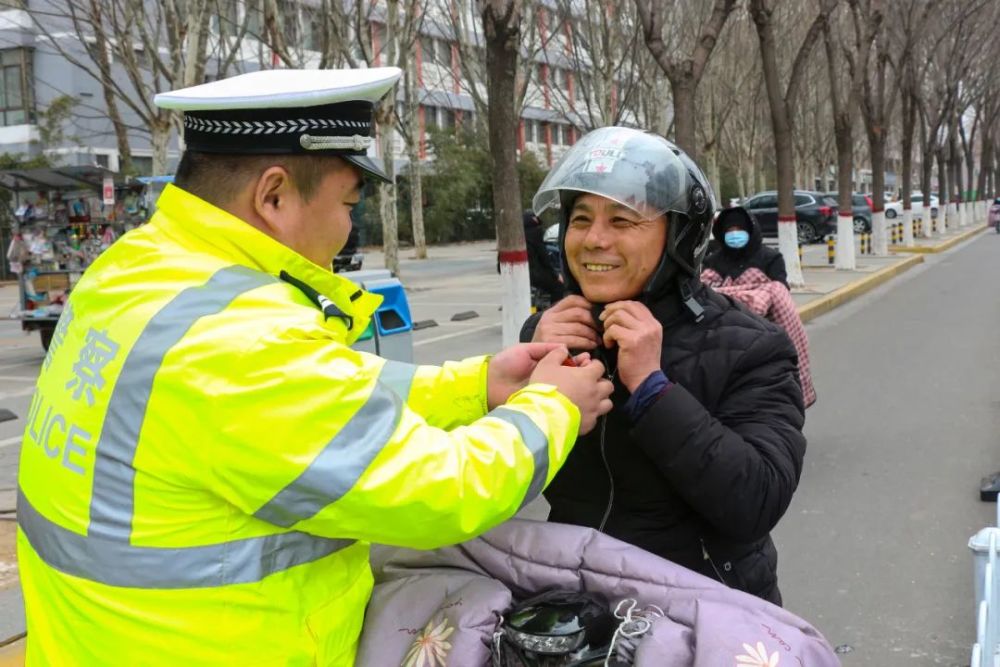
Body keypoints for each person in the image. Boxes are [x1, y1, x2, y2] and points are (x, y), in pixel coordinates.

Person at [17, 67, 614, 666]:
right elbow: (442, 491)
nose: (349, 227)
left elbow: (317, 406)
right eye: (349, 203)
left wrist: (476, 385)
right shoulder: (244, 340)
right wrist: (554, 405)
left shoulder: (134, 268)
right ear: (273, 196)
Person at [521, 126, 806, 605]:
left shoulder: (751, 345)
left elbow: (755, 503)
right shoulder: (548, 335)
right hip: (578, 606)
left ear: (679, 237)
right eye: (581, 218)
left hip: (704, 612)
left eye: (623, 221)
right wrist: (525, 376)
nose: (594, 240)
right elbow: (497, 479)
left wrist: (653, 388)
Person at [703, 206, 788, 288]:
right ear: (722, 234)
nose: (735, 234)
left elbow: (781, 291)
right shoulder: (712, 262)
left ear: (750, 231)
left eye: (740, 229)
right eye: (730, 231)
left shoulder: (771, 259)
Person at [523, 209, 564, 305]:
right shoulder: (535, 232)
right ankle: (556, 311)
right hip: (535, 274)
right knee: (558, 287)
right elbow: (544, 257)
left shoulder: (518, 232)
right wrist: (556, 275)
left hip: (521, 273)